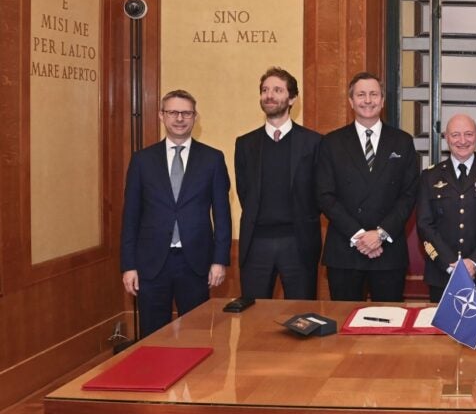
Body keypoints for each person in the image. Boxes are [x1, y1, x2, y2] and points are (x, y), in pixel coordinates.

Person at [120, 90, 231, 338]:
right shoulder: (142, 161)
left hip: (196, 263)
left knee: (198, 334)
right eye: (173, 112)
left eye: (186, 113)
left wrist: (219, 260)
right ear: (161, 116)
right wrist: (129, 265)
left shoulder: (213, 159)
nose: (179, 118)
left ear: (195, 117)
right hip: (151, 264)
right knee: (153, 336)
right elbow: (131, 217)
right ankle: (154, 377)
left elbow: (222, 215)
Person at [316, 72, 419, 301]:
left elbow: (409, 194)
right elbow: (325, 195)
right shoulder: (332, 142)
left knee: (388, 326)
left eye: (374, 94)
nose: (368, 100)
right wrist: (360, 235)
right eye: (361, 95)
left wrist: (380, 234)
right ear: (351, 101)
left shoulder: (402, 141)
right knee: (344, 327)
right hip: (345, 249)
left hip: (388, 251)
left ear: (383, 101)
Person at [234, 67, 323, 300]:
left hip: (298, 242)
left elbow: (320, 192)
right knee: (253, 320)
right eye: (265, 90)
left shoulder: (313, 142)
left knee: (302, 318)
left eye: (277, 90)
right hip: (256, 244)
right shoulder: (245, 144)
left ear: (292, 98)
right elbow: (245, 192)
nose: (269, 95)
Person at [417, 114, 476, 303]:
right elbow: (425, 225)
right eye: (455, 135)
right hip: (443, 274)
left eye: (468, 134)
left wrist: (473, 263)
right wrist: (452, 265)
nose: (462, 141)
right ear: (446, 137)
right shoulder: (430, 176)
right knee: (442, 331)